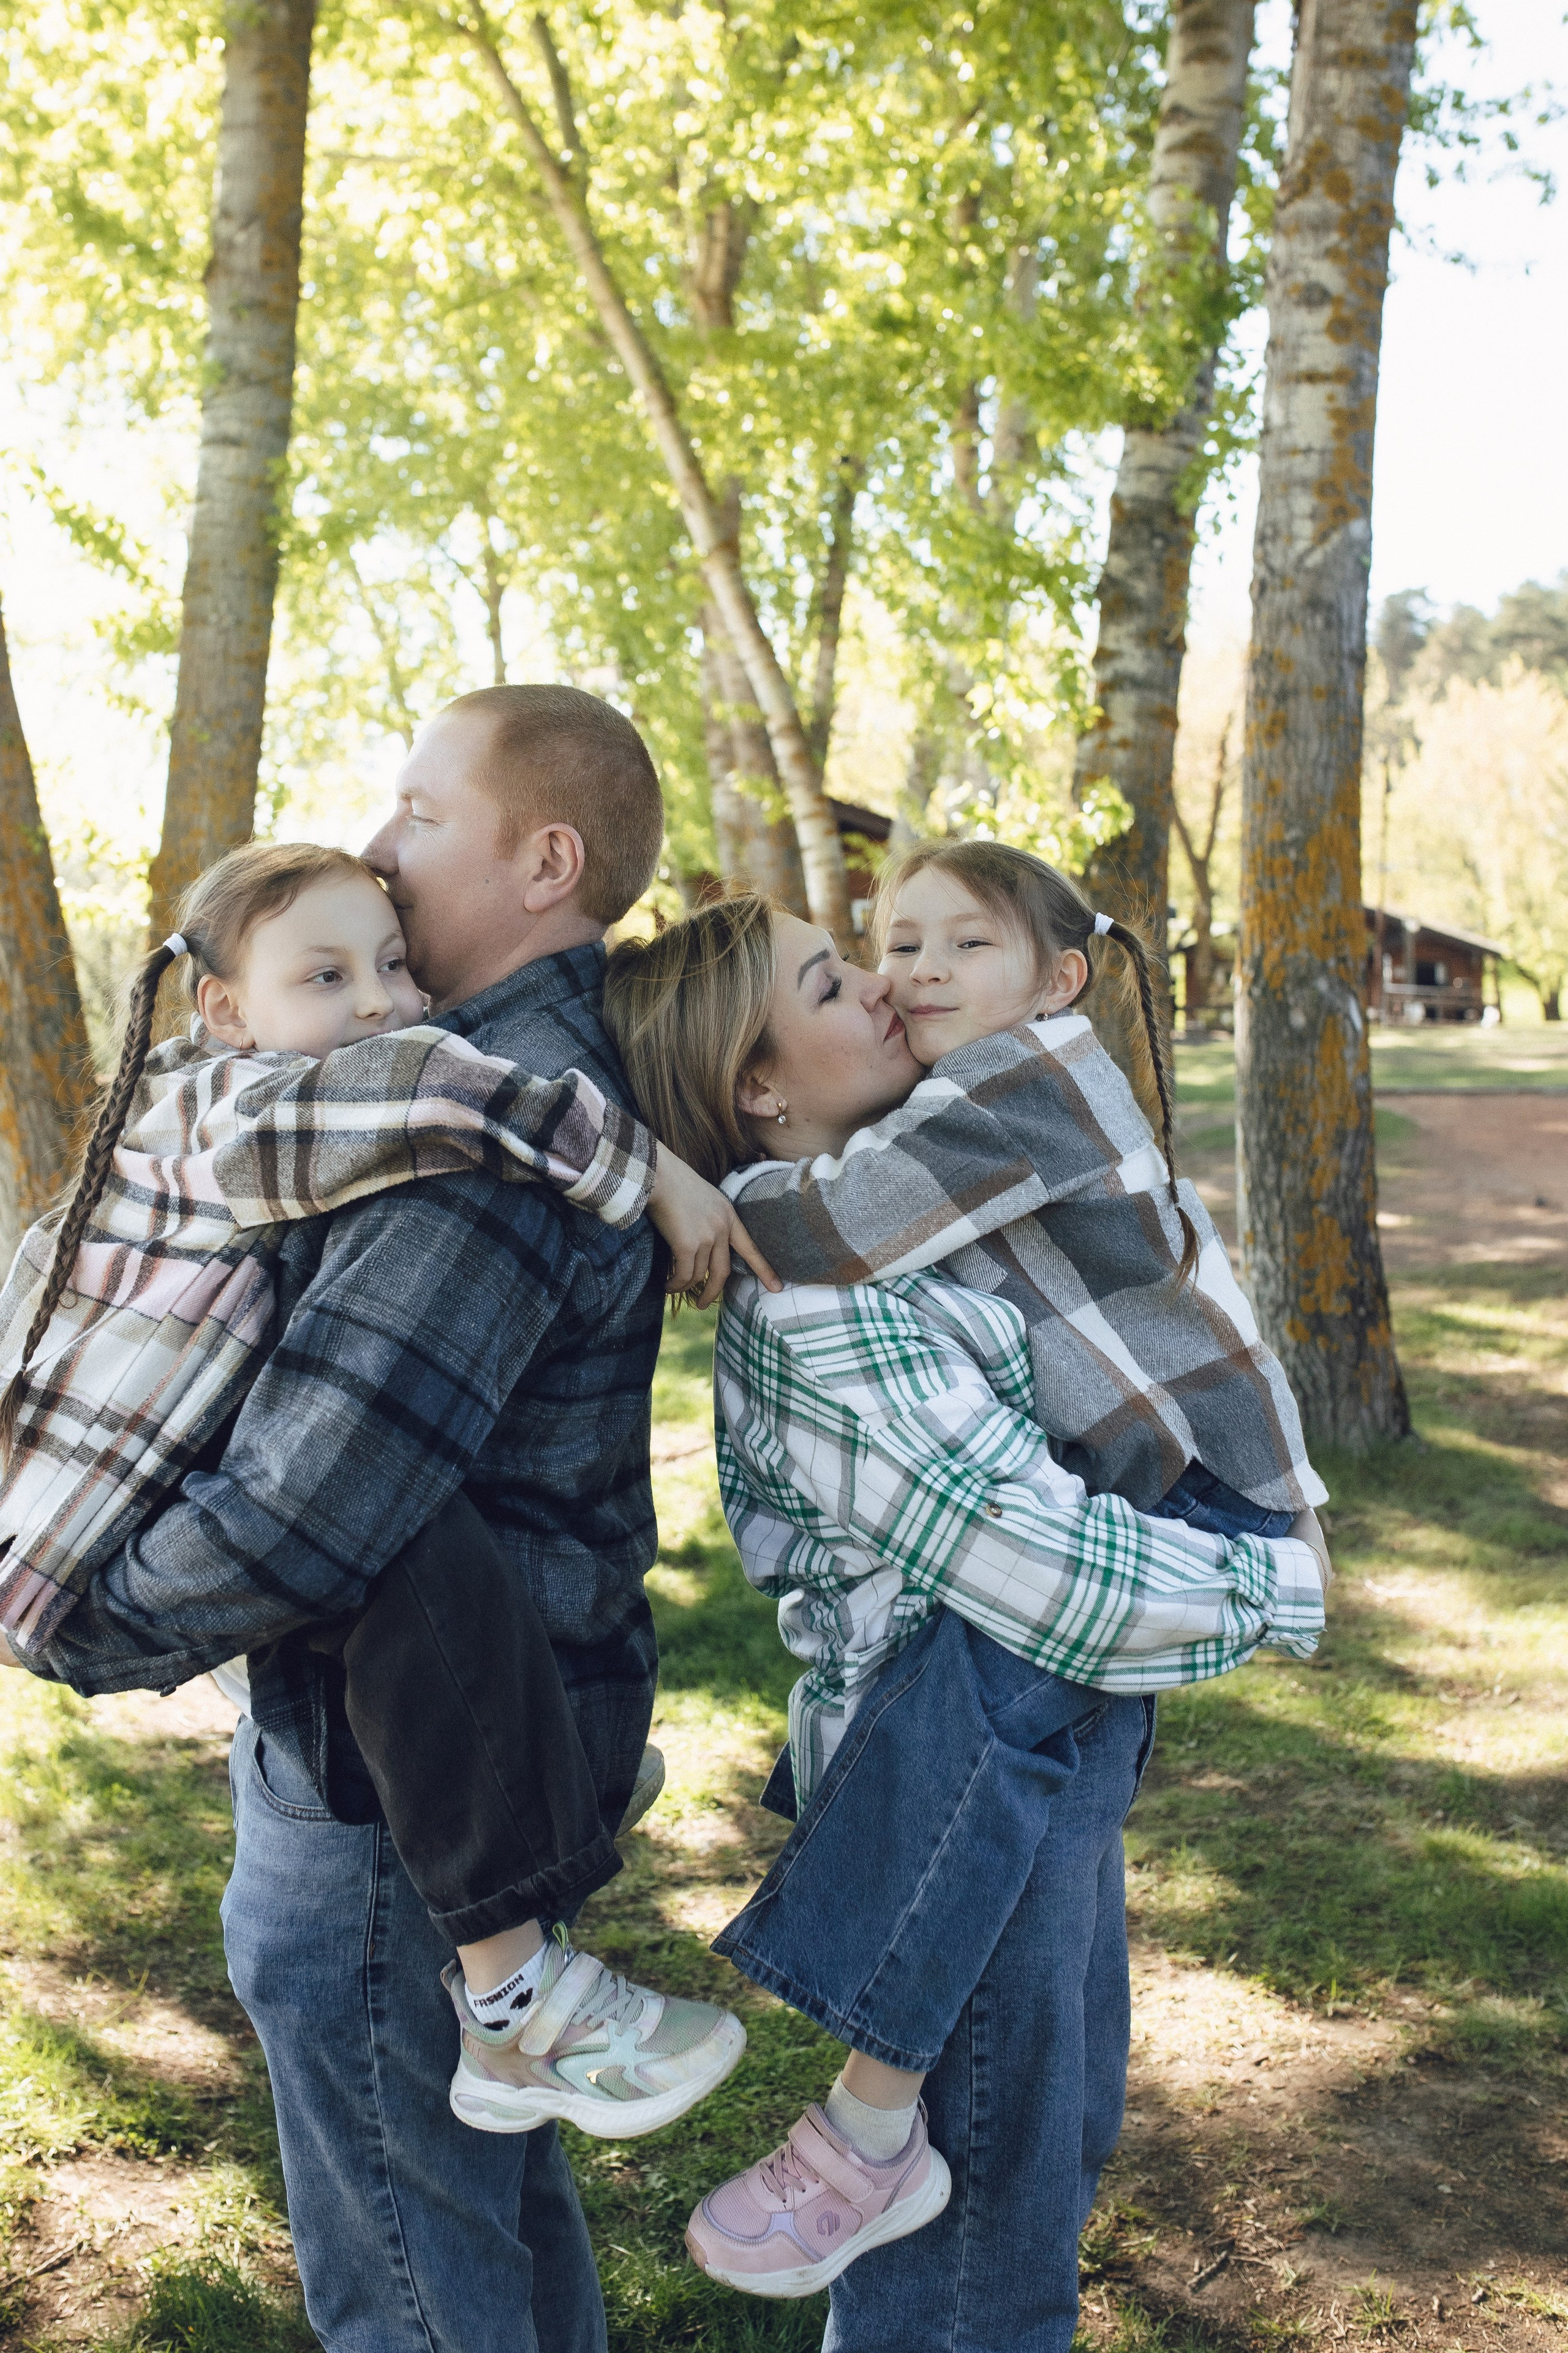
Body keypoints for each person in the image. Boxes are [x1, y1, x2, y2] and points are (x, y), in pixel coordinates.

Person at [7, 684, 748, 2353]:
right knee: (485, 2206)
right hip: (480, 1743)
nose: (378, 839)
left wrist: (77, 1621)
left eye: (420, 809)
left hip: (384, 1786)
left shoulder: (470, 1126)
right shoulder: (465, 1088)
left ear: (545, 861)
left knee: (414, 2275)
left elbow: (310, 1506)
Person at [603, 893, 1327, 2344]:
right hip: (959, 1790)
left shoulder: (908, 1212)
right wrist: (1282, 1580)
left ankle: (874, 2142)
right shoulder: (817, 1307)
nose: (884, 985)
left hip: (1036, 1771)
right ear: (759, 1087)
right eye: (830, 983)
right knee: (978, 2257)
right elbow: (1045, 1579)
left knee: (1042, 2153)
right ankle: (861, 2138)